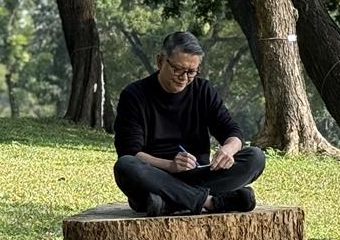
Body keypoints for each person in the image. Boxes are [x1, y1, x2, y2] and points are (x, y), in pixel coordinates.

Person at [112, 31, 266, 216]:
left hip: (197, 175)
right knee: (126, 166)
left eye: (191, 72)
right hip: (157, 176)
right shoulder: (134, 95)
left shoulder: (203, 91)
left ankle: (171, 203)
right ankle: (211, 202)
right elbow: (131, 153)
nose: (184, 78)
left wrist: (228, 149)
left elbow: (231, 130)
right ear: (160, 61)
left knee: (255, 157)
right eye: (178, 69)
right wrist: (170, 165)